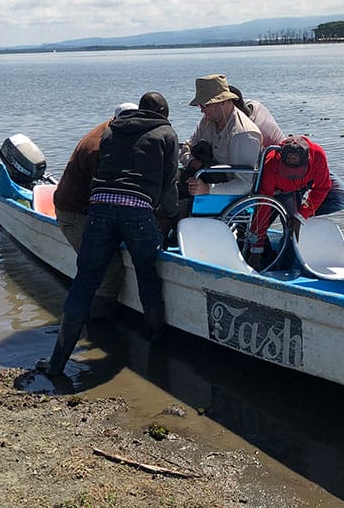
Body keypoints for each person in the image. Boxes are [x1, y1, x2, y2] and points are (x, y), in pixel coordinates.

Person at [36, 92, 179, 376]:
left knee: (85, 282)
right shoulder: (166, 133)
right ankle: (157, 354)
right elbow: (169, 186)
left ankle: (56, 363)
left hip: (99, 211)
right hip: (137, 214)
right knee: (147, 277)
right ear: (163, 113)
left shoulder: (112, 130)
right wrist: (173, 212)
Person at [52, 102, 136, 317]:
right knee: (106, 268)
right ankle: (99, 324)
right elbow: (103, 196)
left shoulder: (113, 132)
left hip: (88, 208)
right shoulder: (99, 147)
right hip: (75, 213)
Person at [247, 135, 344, 269]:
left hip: (309, 181)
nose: (291, 175)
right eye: (287, 172)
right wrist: (256, 248)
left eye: (295, 172)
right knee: (287, 231)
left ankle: (299, 220)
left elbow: (322, 187)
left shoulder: (317, 155)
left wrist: (302, 214)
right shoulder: (271, 163)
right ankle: (281, 261)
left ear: (307, 161)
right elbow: (263, 204)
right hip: (283, 191)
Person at [180, 74, 261, 197]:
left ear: (223, 102)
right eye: (199, 106)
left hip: (225, 197)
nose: (202, 110)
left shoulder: (244, 135)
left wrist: (206, 189)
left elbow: (245, 185)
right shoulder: (207, 120)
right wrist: (194, 163)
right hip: (202, 179)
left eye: (205, 105)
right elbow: (185, 149)